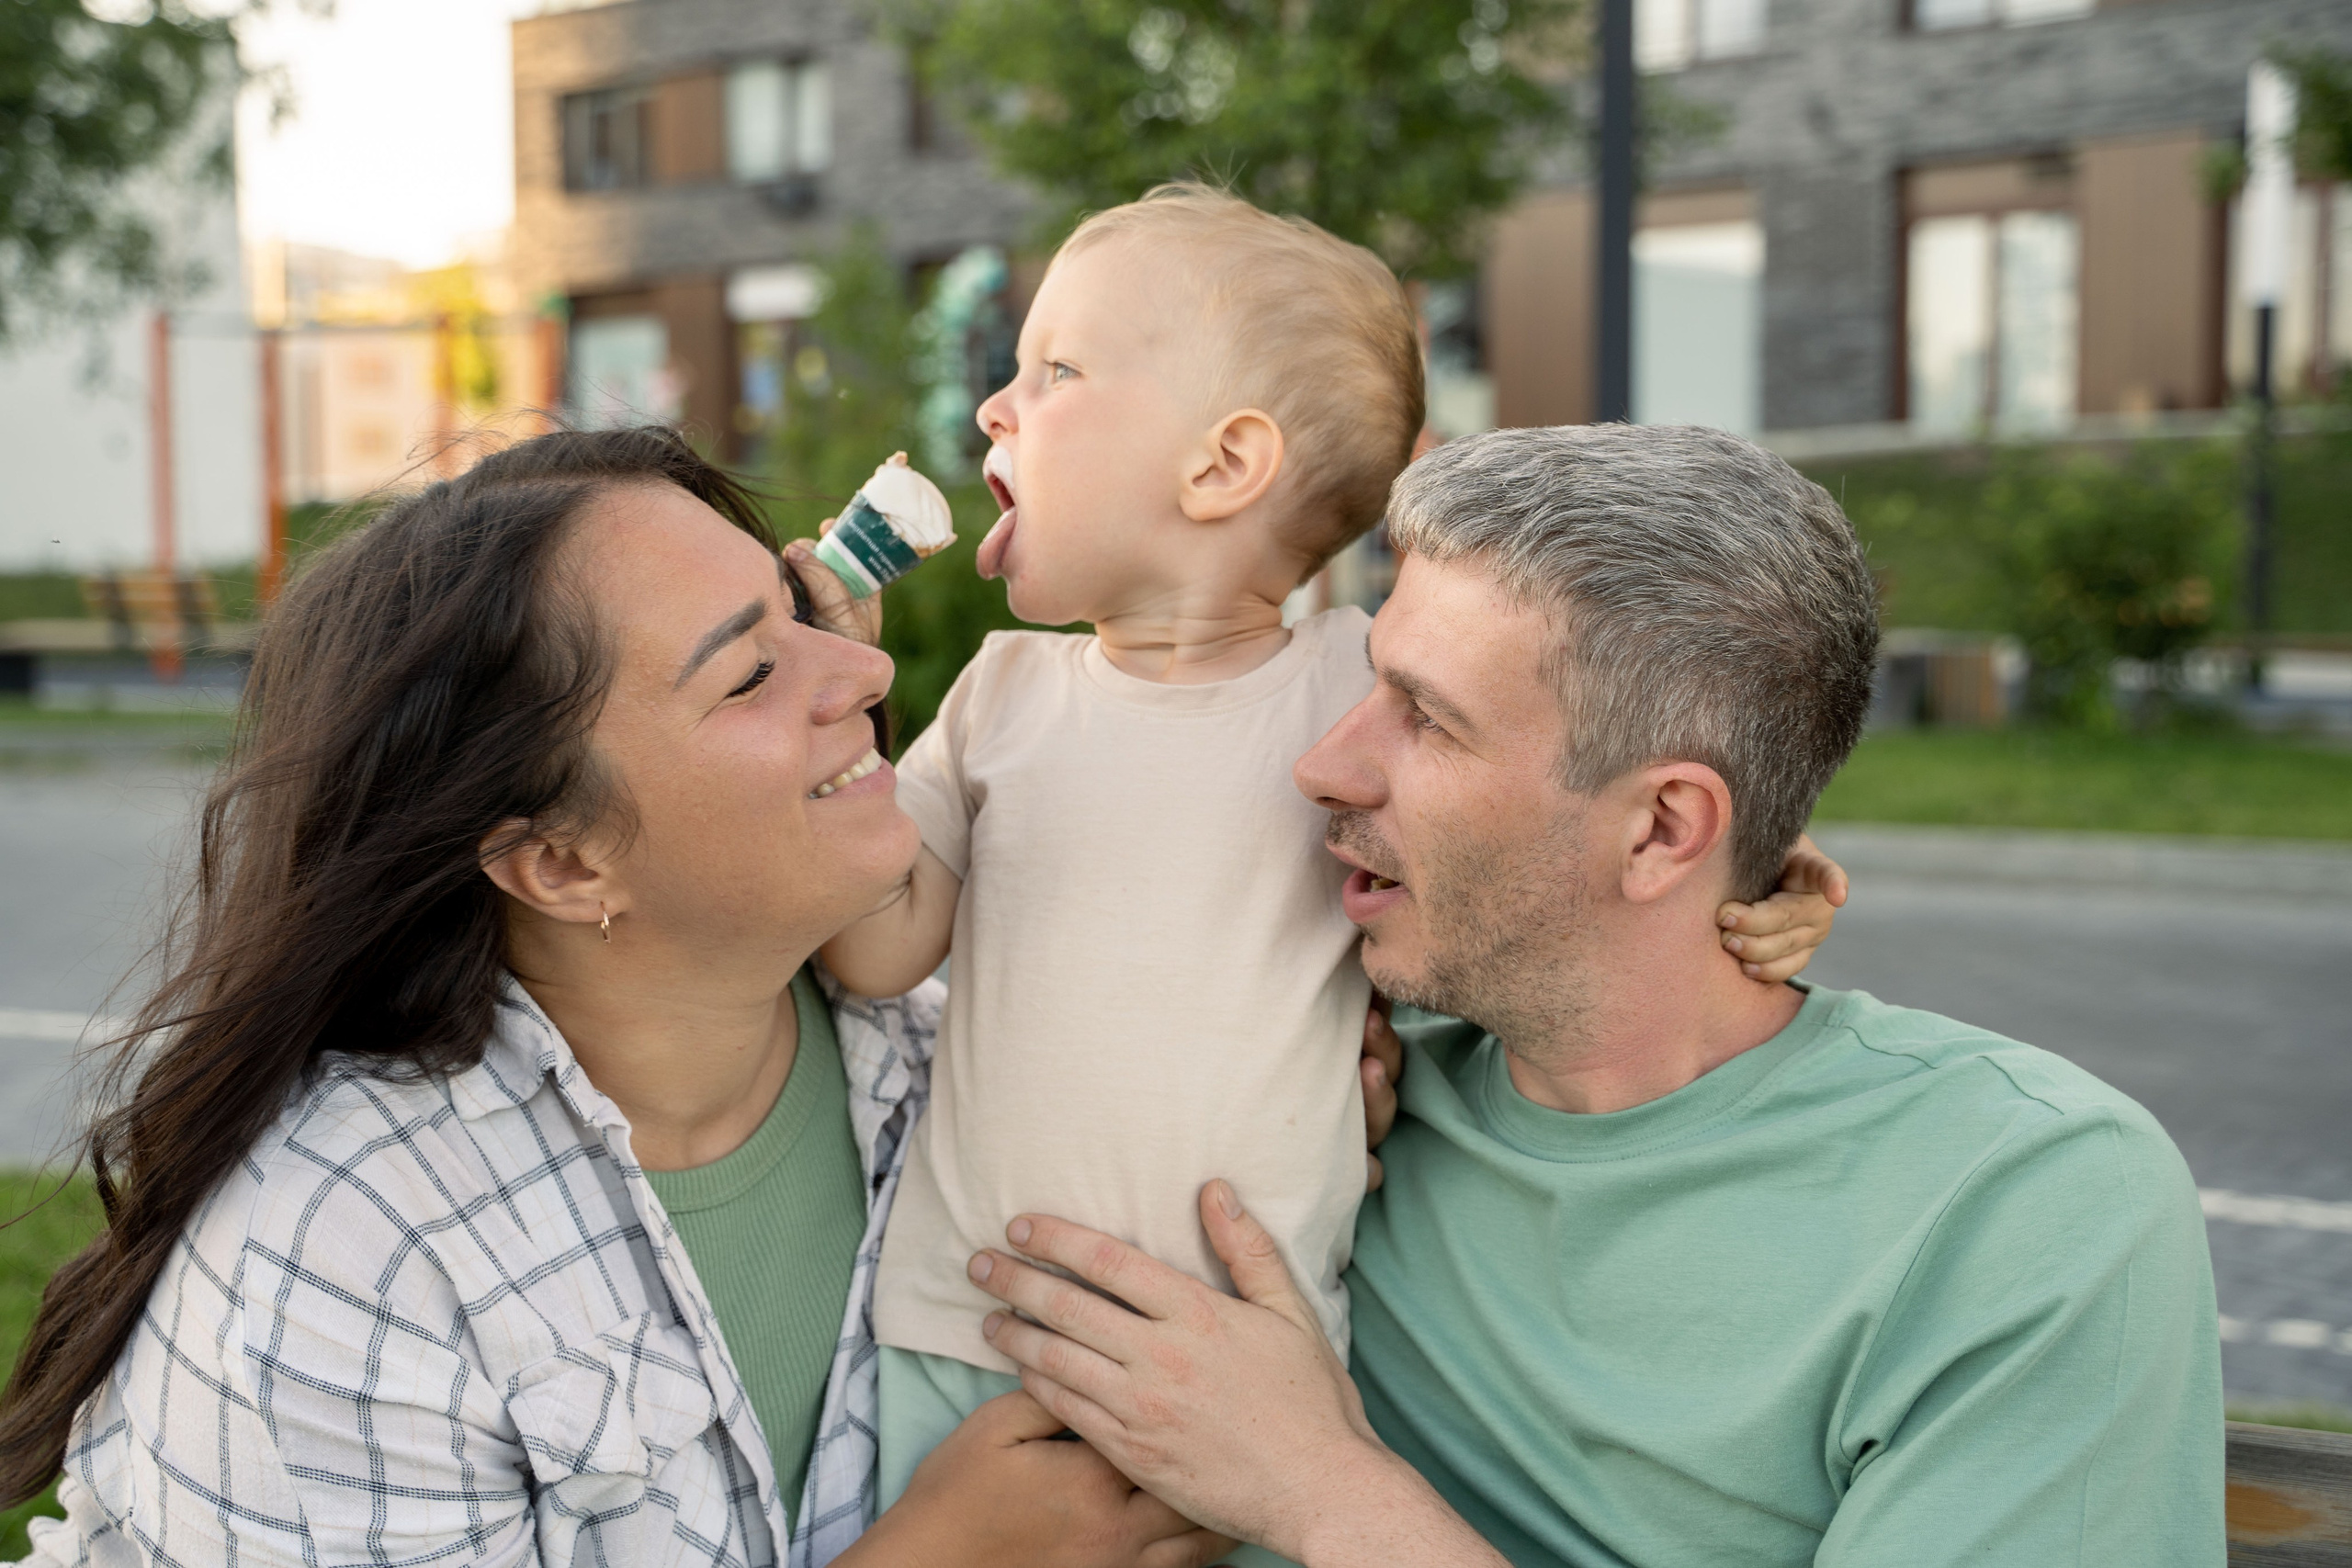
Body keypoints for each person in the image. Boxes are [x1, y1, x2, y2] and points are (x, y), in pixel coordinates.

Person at [963, 423, 2228, 1567]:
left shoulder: (2024, 1211)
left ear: (1665, 829)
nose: (1323, 762)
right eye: (1368, 680)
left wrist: (1320, 1491)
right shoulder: (1341, 1049)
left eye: (1427, 719)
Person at [812, 186, 1849, 1552]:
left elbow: (1579, 813)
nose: (997, 407)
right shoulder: (999, 697)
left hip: (1261, 1374)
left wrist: (1754, 884)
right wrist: (838, 716)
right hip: (978, 1327)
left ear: (1223, 465)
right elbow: (882, 945)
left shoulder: (1355, 693)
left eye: (1052, 372)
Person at [0, 428, 1237, 1568]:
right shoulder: (351, 1254)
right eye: (751, 673)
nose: (865, 668)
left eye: (806, 609)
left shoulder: (947, 1067)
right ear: (560, 860)